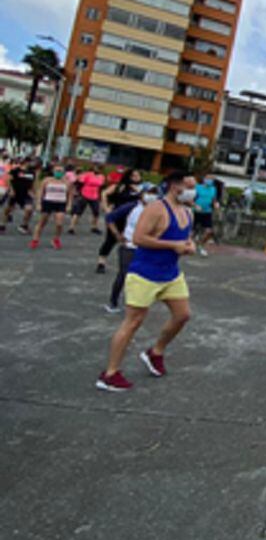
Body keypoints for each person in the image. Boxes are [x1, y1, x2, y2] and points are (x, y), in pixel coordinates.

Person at [96, 171, 197, 392]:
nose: (193, 191)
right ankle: (110, 374)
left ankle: (156, 352)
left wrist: (189, 246)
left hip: (171, 274)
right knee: (133, 322)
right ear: (174, 186)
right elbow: (139, 238)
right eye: (189, 186)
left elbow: (185, 238)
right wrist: (173, 246)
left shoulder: (187, 212)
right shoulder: (156, 209)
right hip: (144, 273)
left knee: (183, 315)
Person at [104, 184, 157, 314]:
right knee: (125, 274)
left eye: (154, 193)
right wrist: (117, 234)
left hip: (147, 247)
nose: (152, 196)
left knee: (144, 276)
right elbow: (110, 218)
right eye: (149, 192)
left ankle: (137, 303)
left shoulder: (157, 210)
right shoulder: (132, 207)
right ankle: (113, 301)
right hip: (129, 246)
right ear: (142, 194)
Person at [96, 168, 143, 273]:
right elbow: (104, 193)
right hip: (117, 217)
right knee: (110, 240)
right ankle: (101, 262)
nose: (136, 178)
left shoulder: (141, 189)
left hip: (133, 220)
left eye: (138, 176)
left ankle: (129, 264)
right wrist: (106, 208)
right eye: (133, 176)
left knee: (131, 241)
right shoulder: (120, 187)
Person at [30, 164, 73, 250]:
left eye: (60, 171)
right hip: (48, 202)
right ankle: (35, 239)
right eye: (57, 171)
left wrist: (69, 205)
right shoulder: (47, 181)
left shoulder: (67, 182)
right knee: (42, 222)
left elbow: (70, 195)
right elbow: (41, 192)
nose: (59, 173)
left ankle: (56, 239)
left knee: (59, 224)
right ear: (53, 171)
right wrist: (39, 203)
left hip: (60, 203)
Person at [3, 157, 37, 234]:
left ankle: (24, 225)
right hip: (15, 192)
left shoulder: (32, 172)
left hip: (25, 194)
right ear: (26, 162)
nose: (32, 164)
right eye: (31, 162)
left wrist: (33, 192)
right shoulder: (15, 170)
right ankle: (2, 225)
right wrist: (11, 189)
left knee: (29, 209)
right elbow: (8, 179)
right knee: (8, 209)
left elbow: (32, 184)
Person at [68, 165, 105, 234]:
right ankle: (71, 228)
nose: (98, 170)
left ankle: (94, 227)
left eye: (100, 169)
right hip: (84, 195)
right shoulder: (88, 174)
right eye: (97, 168)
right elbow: (79, 183)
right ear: (94, 168)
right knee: (78, 212)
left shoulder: (101, 177)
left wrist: (101, 199)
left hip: (94, 196)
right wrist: (76, 192)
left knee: (96, 212)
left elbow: (101, 187)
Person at [192, 174, 218, 257]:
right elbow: (191, 198)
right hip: (196, 211)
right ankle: (190, 245)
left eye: (212, 180)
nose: (210, 181)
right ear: (204, 179)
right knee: (191, 232)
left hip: (207, 212)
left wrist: (216, 204)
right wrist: (195, 205)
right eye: (209, 179)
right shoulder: (197, 187)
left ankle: (201, 245)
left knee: (209, 231)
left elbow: (214, 199)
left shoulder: (213, 189)